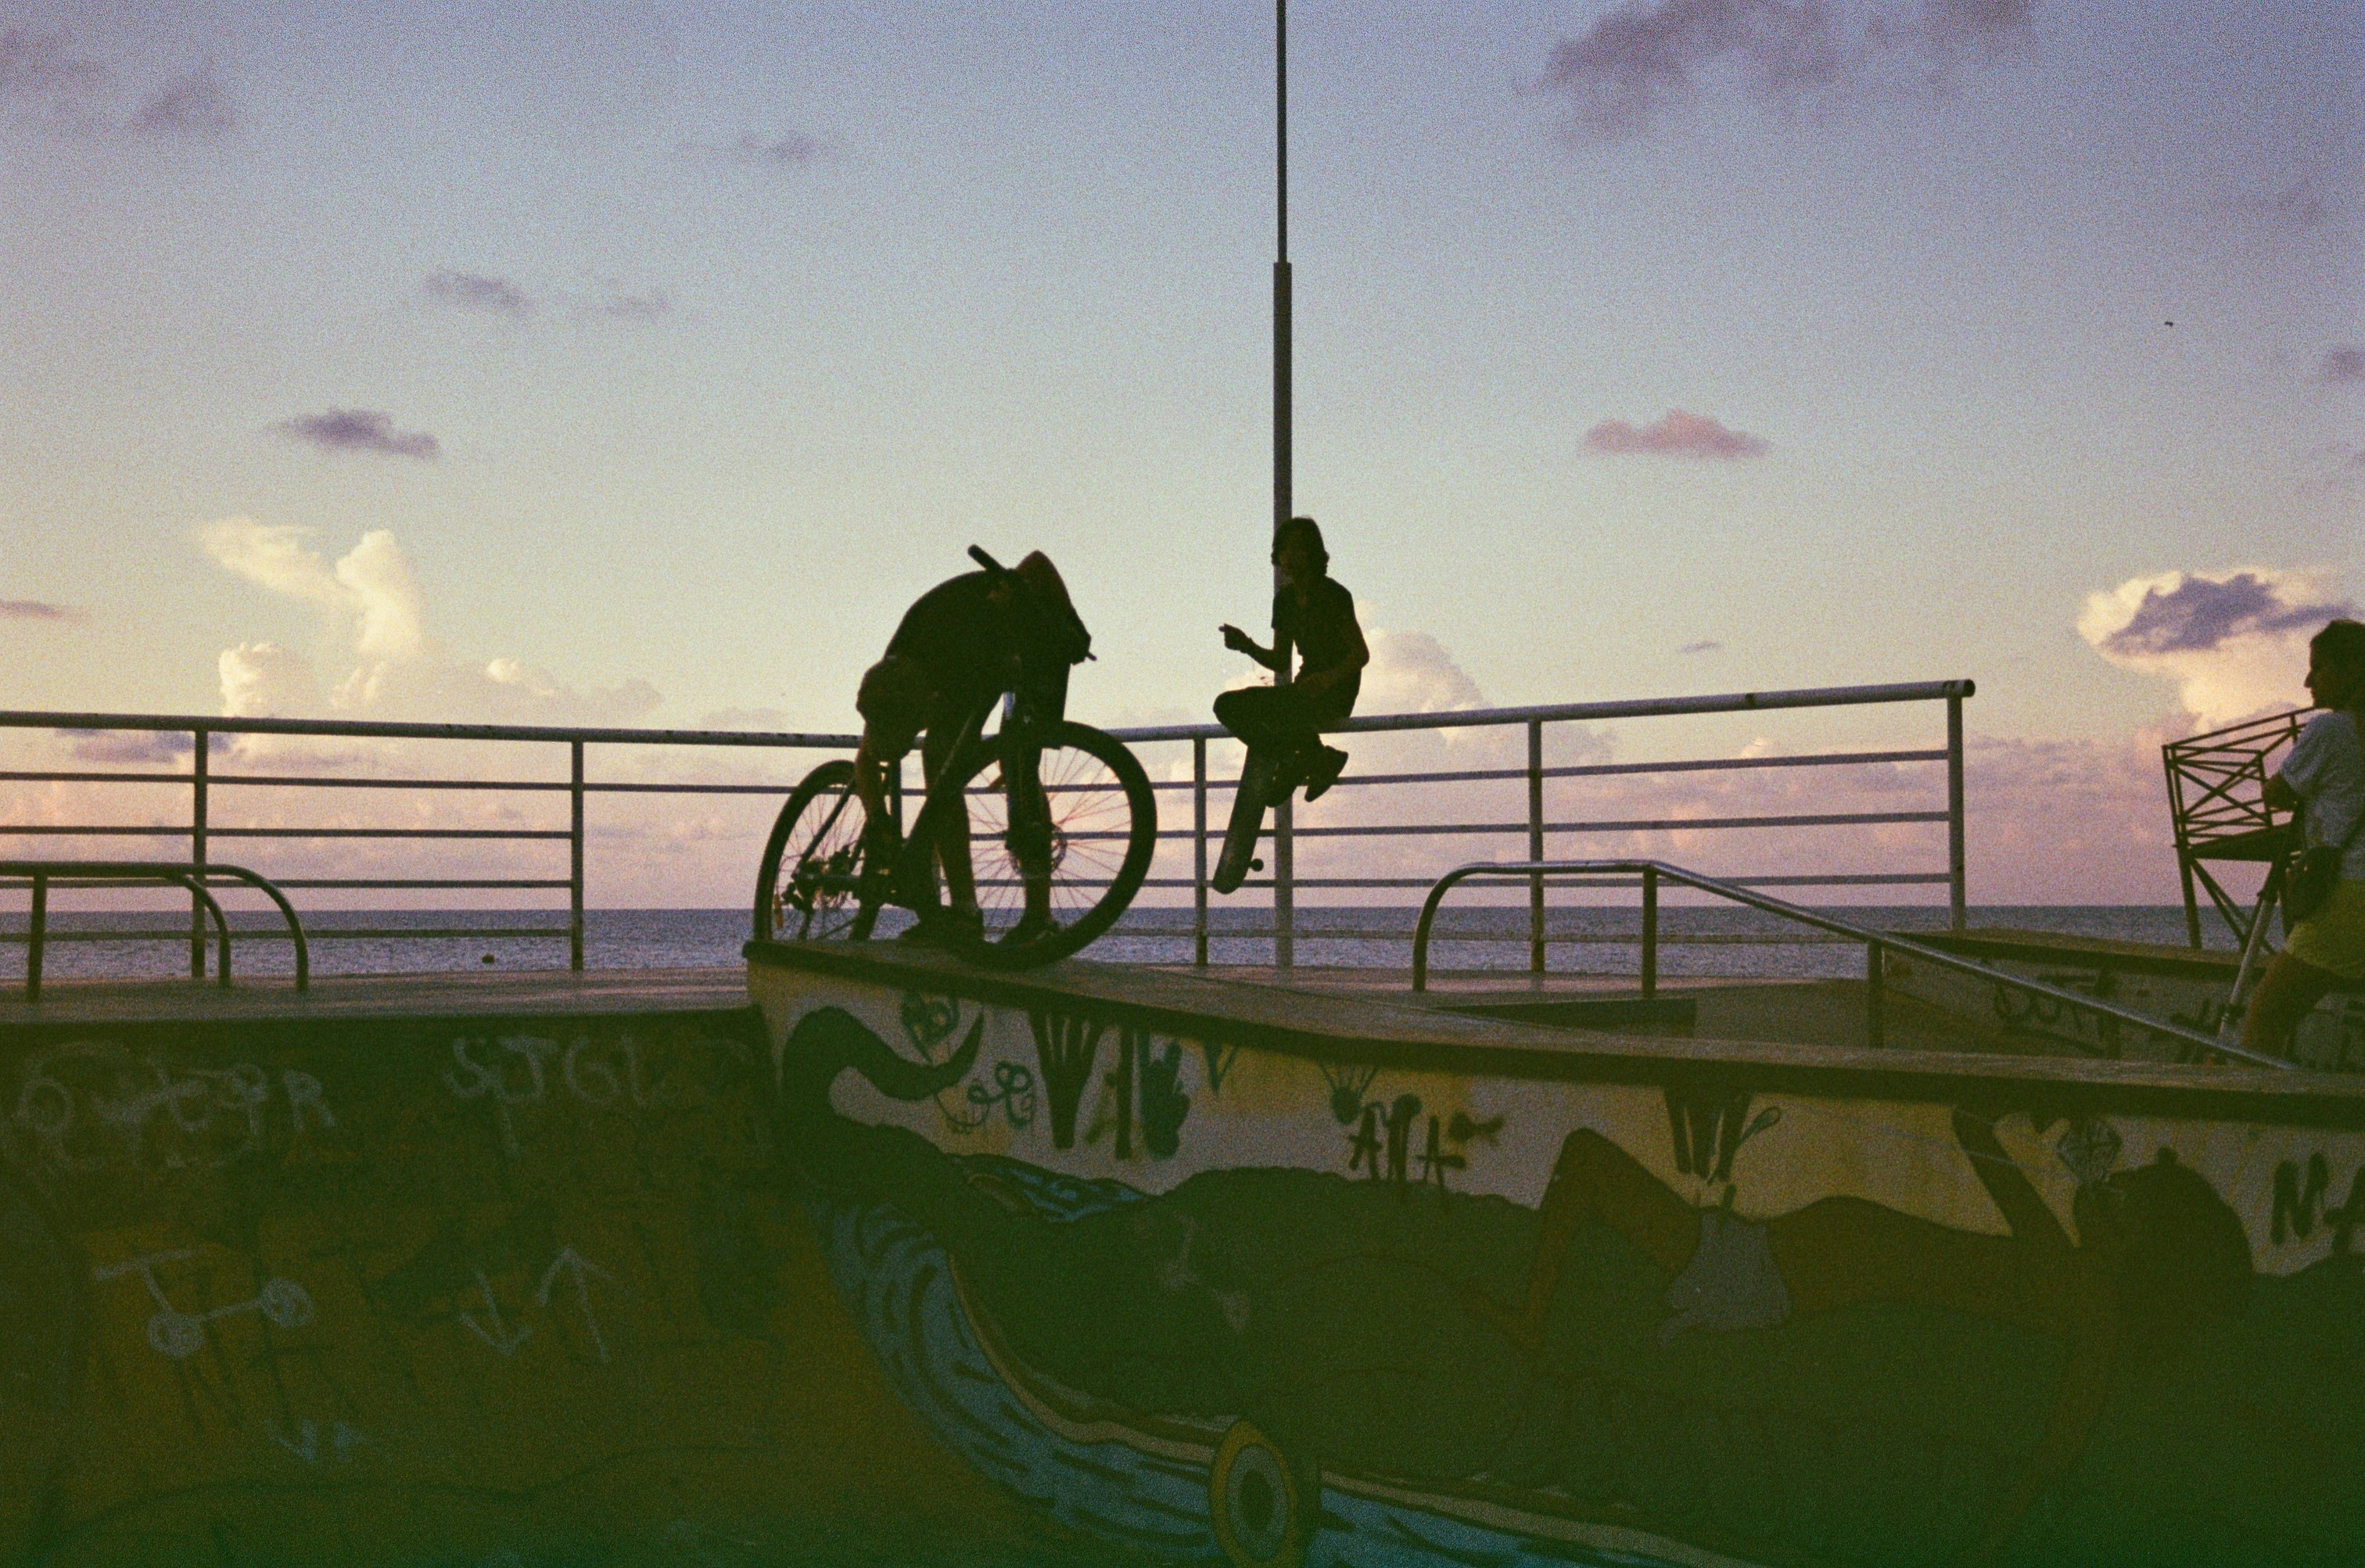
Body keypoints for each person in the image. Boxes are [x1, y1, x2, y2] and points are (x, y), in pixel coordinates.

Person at [1466, 1110, 2252, 1564]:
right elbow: (2059, 1445)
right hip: (1758, 1263)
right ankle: (1535, 1319)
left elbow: (1970, 1124)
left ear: (2141, 1248)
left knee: (1583, 1156)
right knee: (1591, 1170)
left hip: (1751, 1272)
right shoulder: (2090, 1312)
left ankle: (1530, 1320)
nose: (2106, 1191)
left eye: (2123, 1197)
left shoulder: (2066, 1279)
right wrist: (1995, 1539)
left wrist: (2031, 1109)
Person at [850, 551, 1092, 944]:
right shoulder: (896, 673)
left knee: (1019, 766)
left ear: (927, 706)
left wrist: (1057, 617)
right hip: (969, 657)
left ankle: (1038, 918)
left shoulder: (961, 653)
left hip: (1027, 635)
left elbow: (1037, 562)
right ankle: (964, 912)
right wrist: (877, 820)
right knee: (940, 764)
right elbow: (866, 757)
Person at [2242, 618, 2365, 1059]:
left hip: (2346, 896)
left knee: (2264, 1022)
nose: (2308, 680)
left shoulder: (2329, 730)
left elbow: (2279, 792)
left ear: (2351, 670)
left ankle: (2259, 1120)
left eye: (2319, 668)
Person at [1215, 515, 1369, 806]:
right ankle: (1308, 758)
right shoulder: (1284, 601)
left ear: (1313, 552)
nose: (1289, 556)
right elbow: (1279, 661)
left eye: (1298, 548)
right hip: (1302, 691)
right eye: (1284, 549)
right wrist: (1245, 645)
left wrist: (1327, 679)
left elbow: (1360, 654)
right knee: (1226, 706)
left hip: (1336, 691)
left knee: (1279, 715)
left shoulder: (1334, 595)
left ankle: (1305, 760)